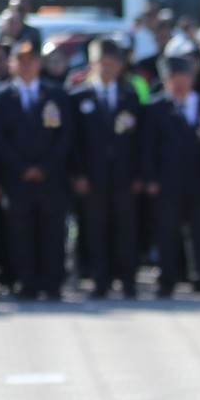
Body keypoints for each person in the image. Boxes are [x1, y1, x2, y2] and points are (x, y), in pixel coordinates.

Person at [0, 39, 73, 300]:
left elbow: (66, 136)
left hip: (51, 177)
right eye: (21, 62)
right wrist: (21, 167)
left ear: (40, 63)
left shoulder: (57, 93)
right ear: (12, 65)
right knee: (20, 234)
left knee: (52, 231)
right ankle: (26, 282)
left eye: (31, 61)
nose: (26, 67)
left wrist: (45, 167)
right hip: (16, 178)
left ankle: (52, 282)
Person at [70, 38, 145, 298]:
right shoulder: (79, 96)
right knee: (96, 229)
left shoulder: (129, 95)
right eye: (102, 63)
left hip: (124, 176)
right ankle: (100, 280)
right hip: (92, 177)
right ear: (92, 64)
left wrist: (138, 174)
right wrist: (78, 174)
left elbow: (140, 140)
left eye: (112, 63)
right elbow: (74, 141)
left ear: (120, 66)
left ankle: (127, 280)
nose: (107, 68)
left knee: (126, 229)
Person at [142, 55, 200, 296]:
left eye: (183, 78)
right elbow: (147, 147)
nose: (178, 83)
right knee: (167, 232)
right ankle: (167, 279)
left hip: (199, 179)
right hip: (168, 180)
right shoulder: (156, 108)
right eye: (173, 79)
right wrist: (150, 178)